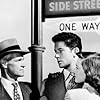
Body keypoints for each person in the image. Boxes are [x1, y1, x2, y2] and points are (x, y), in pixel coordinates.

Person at [40, 32, 96, 100]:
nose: (56, 56)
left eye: (60, 51)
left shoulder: (94, 80)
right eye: (56, 52)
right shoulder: (47, 83)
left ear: (75, 50)